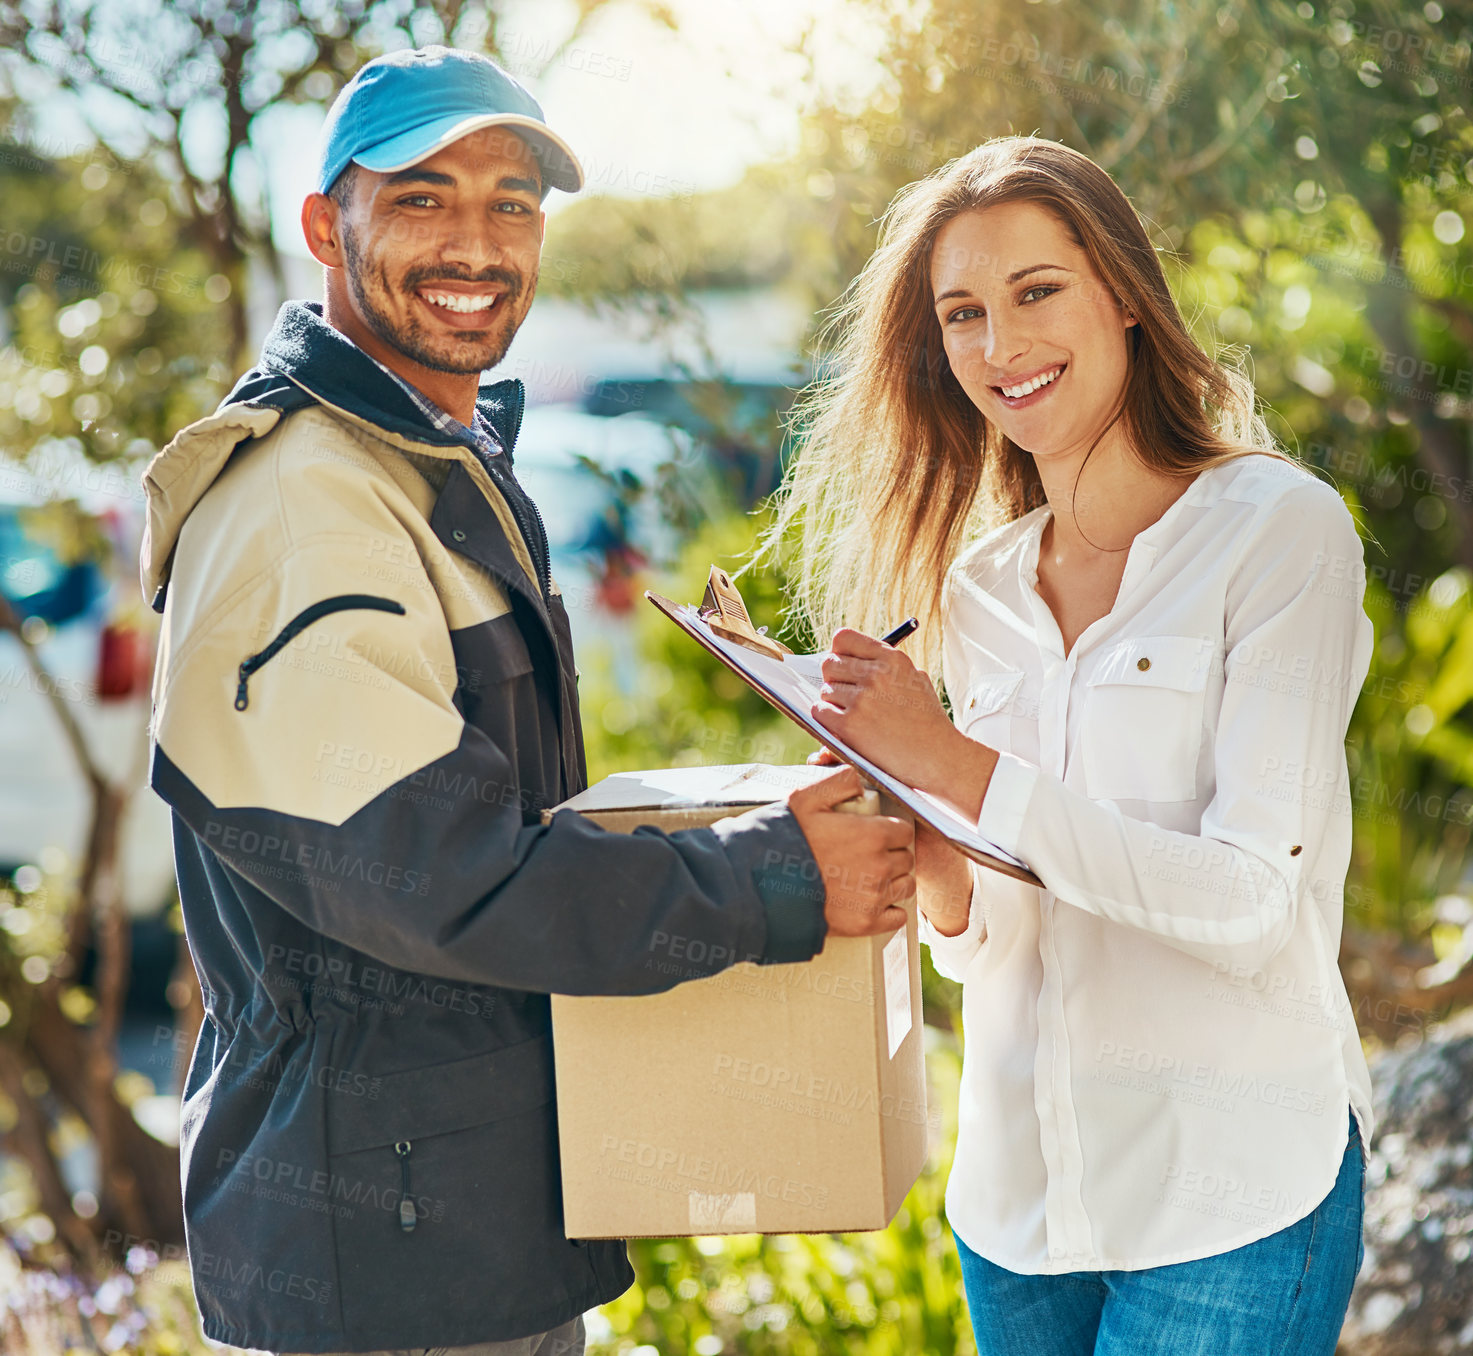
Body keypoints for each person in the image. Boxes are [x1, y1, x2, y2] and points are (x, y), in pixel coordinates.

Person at [140, 47, 914, 1356]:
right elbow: (439, 878)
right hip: (380, 1280)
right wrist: (774, 879)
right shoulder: (303, 507)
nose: (478, 242)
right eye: (425, 197)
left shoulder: (427, 463)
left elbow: (496, 816)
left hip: (460, 1239)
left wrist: (756, 814)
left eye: (512, 202)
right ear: (326, 224)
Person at [770, 136, 1371, 1355]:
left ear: (1127, 299)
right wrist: (912, 826)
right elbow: (990, 932)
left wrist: (955, 764)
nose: (1001, 346)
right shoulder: (979, 585)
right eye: (963, 314)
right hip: (1017, 1215)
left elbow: (1254, 901)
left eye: (1037, 291)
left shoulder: (1279, 534)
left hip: (1230, 1203)